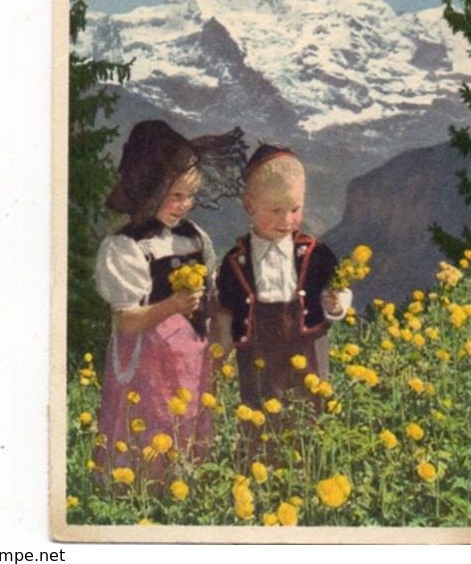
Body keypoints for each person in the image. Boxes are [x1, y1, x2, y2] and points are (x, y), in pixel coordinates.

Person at [94, 119, 245, 473]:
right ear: (149, 188)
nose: (185, 205)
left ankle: (186, 488)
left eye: (190, 196)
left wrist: (221, 341)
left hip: (192, 355)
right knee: (149, 426)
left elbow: (212, 295)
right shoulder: (127, 246)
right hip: (148, 360)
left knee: (190, 423)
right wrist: (172, 306)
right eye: (176, 196)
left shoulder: (195, 237)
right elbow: (127, 320)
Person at [217, 145, 352, 409]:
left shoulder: (316, 253)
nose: (287, 220)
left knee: (309, 412)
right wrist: (221, 353)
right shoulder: (234, 262)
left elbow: (338, 289)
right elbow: (225, 313)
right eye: (276, 211)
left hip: (306, 346)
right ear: (249, 206)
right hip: (257, 350)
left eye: (294, 209)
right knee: (260, 415)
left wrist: (336, 305)